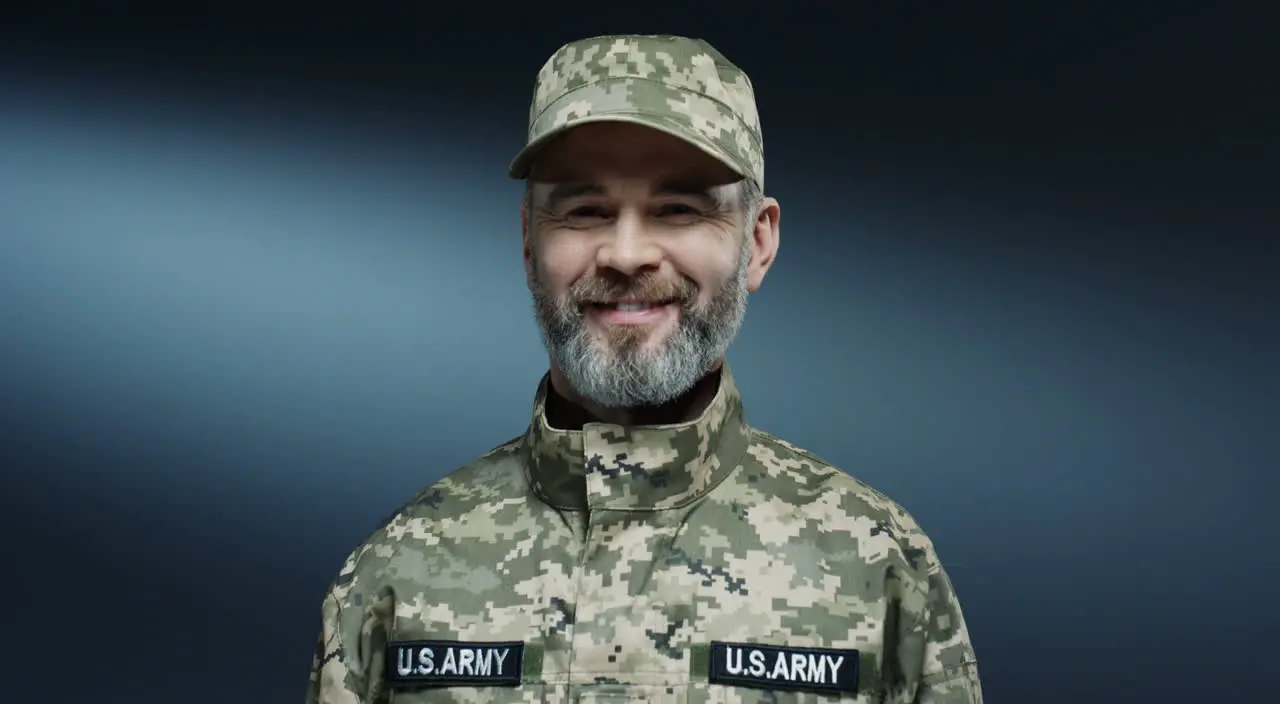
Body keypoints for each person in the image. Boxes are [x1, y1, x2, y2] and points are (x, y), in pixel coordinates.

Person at [306, 34, 983, 703]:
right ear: (527, 241)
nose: (626, 253)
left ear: (757, 243)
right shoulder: (398, 572)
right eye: (585, 211)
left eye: (679, 209)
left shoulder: (877, 568)